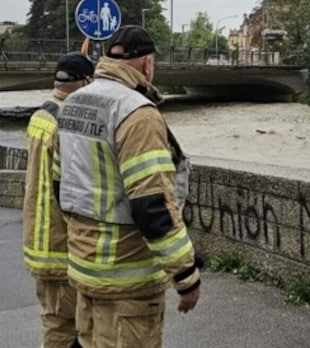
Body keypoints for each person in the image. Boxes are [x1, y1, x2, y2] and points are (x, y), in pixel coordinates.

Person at [55, 25, 201, 348]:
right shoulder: (137, 113)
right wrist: (186, 274)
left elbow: (59, 185)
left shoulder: (71, 105)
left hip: (83, 269)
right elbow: (153, 206)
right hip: (128, 281)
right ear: (148, 64)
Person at [23, 52, 95, 348]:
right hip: (59, 243)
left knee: (57, 318)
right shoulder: (68, 122)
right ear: (86, 82)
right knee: (63, 326)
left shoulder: (41, 114)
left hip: (37, 238)